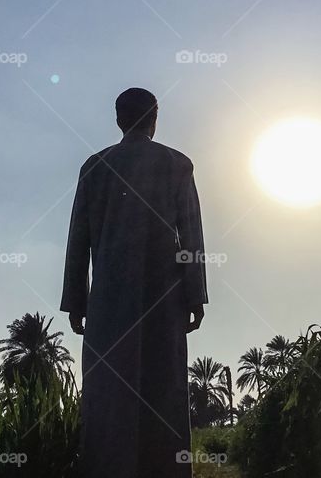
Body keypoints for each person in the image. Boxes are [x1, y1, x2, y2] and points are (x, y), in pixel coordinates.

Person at [60, 87, 208, 477]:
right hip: (163, 299)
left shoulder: (94, 167)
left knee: (109, 397)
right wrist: (196, 294)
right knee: (164, 393)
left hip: (109, 303)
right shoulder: (177, 165)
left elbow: (79, 239)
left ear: (119, 120)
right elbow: (191, 235)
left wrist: (77, 300)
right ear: (154, 118)